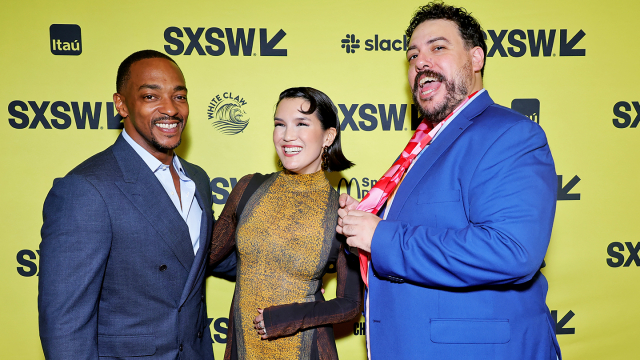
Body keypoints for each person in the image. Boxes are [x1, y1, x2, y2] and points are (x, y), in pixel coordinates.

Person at [337, 3, 561, 360]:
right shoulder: (426, 143)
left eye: (437, 48)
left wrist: (381, 235)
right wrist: (359, 224)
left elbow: (512, 251)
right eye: (413, 55)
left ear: (476, 58)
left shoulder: (510, 134)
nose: (420, 62)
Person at [38, 50, 236, 360]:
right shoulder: (86, 188)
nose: (170, 109)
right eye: (150, 96)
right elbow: (65, 323)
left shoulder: (197, 179)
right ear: (121, 104)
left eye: (179, 97)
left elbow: (209, 256)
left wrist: (318, 250)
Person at [208, 87, 362, 360]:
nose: (287, 136)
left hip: (309, 349)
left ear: (328, 135)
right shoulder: (248, 188)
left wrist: (289, 316)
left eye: (301, 123)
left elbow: (350, 305)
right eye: (280, 125)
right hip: (243, 349)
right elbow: (203, 256)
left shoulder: (341, 212)